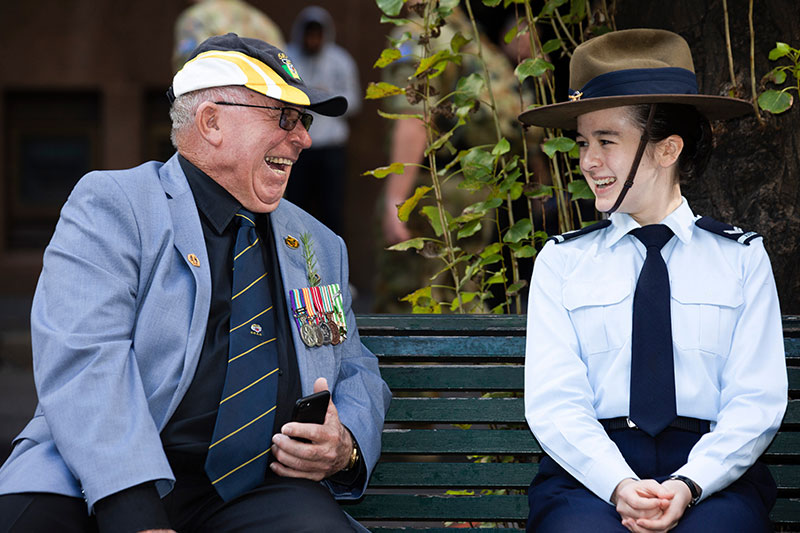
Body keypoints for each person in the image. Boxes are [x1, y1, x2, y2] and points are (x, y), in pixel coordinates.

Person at [0, 34, 391, 533]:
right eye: (284, 117)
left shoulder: (315, 243)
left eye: (304, 121)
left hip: (255, 490)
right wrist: (135, 511)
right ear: (211, 122)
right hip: (92, 475)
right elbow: (85, 358)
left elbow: (351, 365)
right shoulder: (116, 205)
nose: (304, 139)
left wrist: (346, 445)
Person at [519, 29, 787, 532]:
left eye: (607, 141)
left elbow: (755, 401)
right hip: (589, 474)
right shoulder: (563, 261)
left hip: (713, 473)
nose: (588, 161)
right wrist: (619, 484)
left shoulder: (740, 259)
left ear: (667, 150)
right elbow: (556, 401)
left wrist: (690, 483)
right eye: (583, 143)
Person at [284, 6, 362, 237]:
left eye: (317, 35)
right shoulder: (288, 58)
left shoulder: (341, 61)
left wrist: (327, 97)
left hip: (331, 148)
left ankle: (333, 255)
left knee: (331, 209)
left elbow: (354, 101)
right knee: (295, 206)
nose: (313, 40)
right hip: (297, 148)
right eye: (309, 35)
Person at [173, 0, 285, 71]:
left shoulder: (195, 17)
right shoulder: (259, 19)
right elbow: (282, 61)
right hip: (260, 94)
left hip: (216, 93)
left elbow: (191, 63)